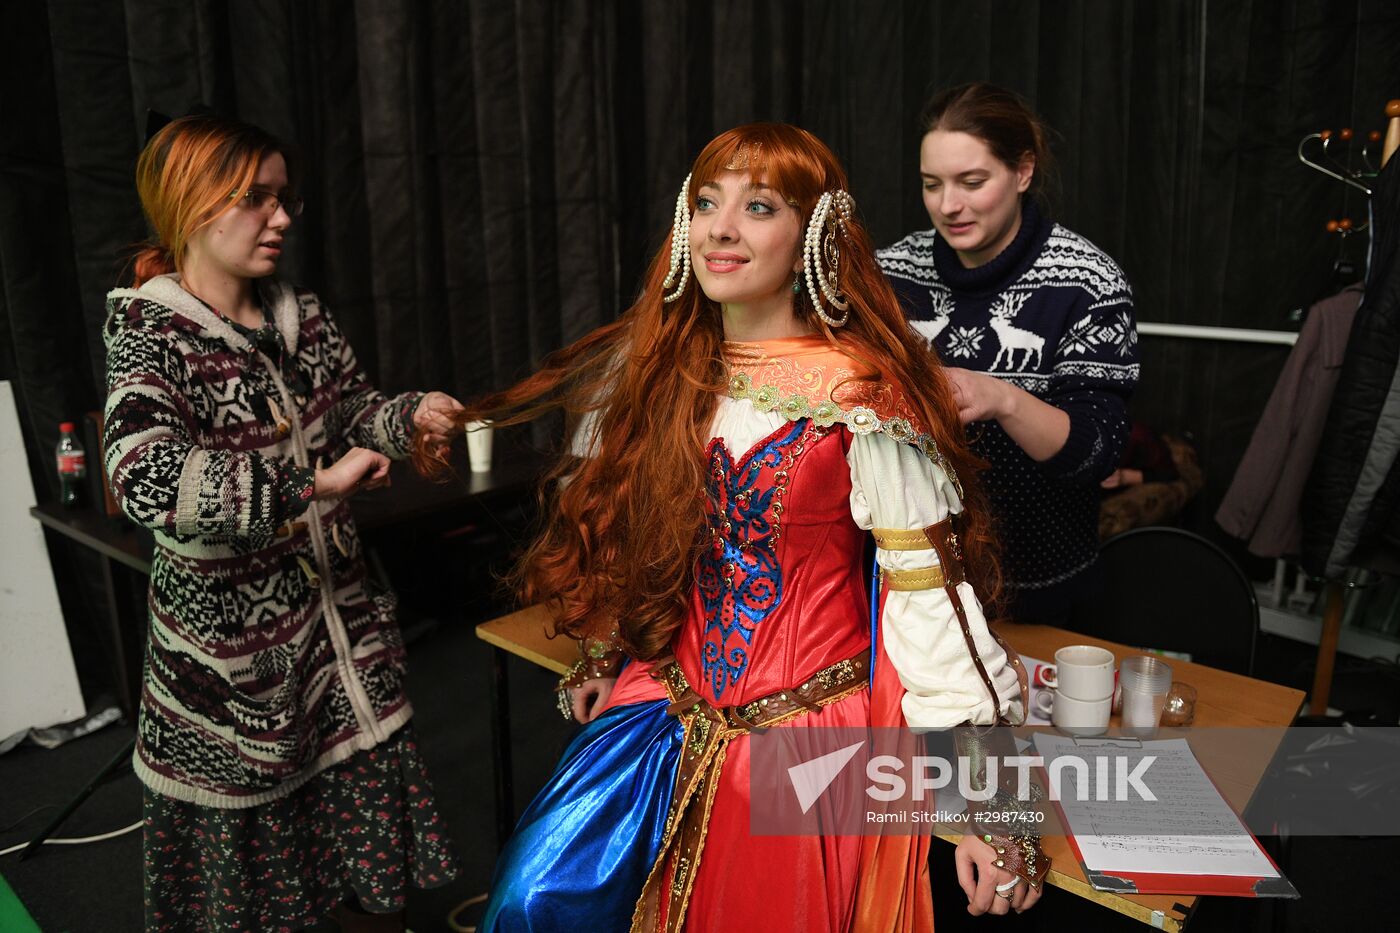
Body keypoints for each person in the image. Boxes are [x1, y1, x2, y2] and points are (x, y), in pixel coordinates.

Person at [417, 123, 1046, 931]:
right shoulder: (667, 370)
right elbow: (641, 532)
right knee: (532, 903)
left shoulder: (862, 396)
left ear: (814, 234)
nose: (721, 227)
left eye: (758, 206)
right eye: (707, 202)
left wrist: (990, 803)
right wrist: (612, 643)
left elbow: (932, 602)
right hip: (665, 704)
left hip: (802, 739)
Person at [103, 114, 464, 932]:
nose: (282, 217)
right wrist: (310, 482)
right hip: (236, 679)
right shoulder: (152, 333)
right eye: (256, 199)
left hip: (343, 642)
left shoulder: (303, 315)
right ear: (192, 203)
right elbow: (146, 479)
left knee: (359, 882)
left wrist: (409, 417)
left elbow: (356, 412)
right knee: (259, 888)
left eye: (283, 197)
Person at [878, 83, 1140, 627]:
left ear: (1023, 172)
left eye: (973, 182)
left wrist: (1001, 397)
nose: (948, 206)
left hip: (1040, 596)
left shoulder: (1087, 281)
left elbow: (1097, 455)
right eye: (932, 185)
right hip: (915, 590)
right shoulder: (890, 275)